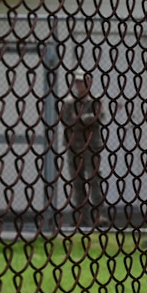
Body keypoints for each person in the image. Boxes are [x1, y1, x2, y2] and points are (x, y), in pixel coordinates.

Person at [59, 69, 108, 227]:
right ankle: (81, 217)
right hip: (73, 146)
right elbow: (66, 121)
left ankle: (99, 215)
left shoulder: (95, 101)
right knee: (77, 182)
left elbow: (95, 118)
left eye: (82, 81)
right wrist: (83, 120)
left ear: (89, 82)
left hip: (92, 146)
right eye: (77, 82)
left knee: (95, 180)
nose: (79, 85)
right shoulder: (68, 102)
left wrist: (78, 120)